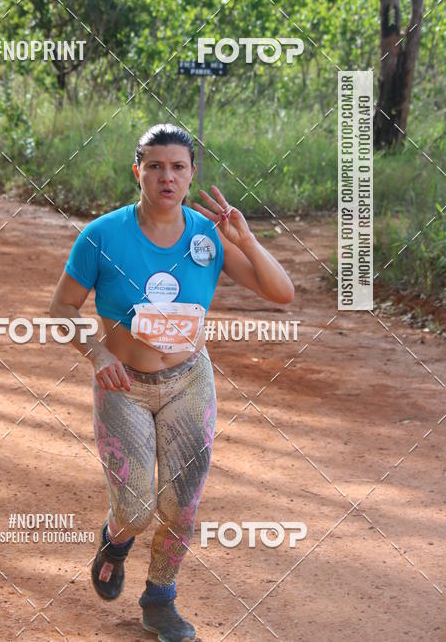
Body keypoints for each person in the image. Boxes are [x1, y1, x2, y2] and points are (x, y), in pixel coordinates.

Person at [50, 123, 294, 642]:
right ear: (137, 170)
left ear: (191, 175)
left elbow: (282, 293)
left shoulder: (207, 237)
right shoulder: (101, 235)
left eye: (178, 167)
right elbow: (61, 308)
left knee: (181, 505)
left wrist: (244, 238)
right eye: (155, 166)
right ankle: (116, 541)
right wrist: (95, 354)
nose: (167, 176)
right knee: (137, 508)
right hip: (122, 386)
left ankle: (160, 599)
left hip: (189, 381)